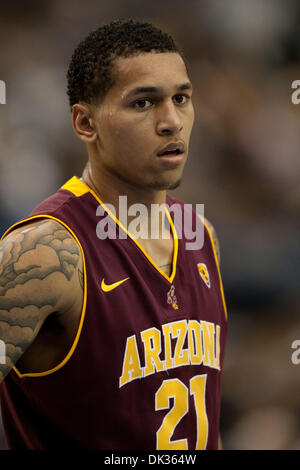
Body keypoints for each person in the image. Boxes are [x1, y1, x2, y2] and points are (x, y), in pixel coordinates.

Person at [0, 19, 227, 450]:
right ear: (86, 123)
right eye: (144, 103)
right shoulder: (44, 254)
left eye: (181, 98)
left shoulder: (202, 235)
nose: (172, 122)